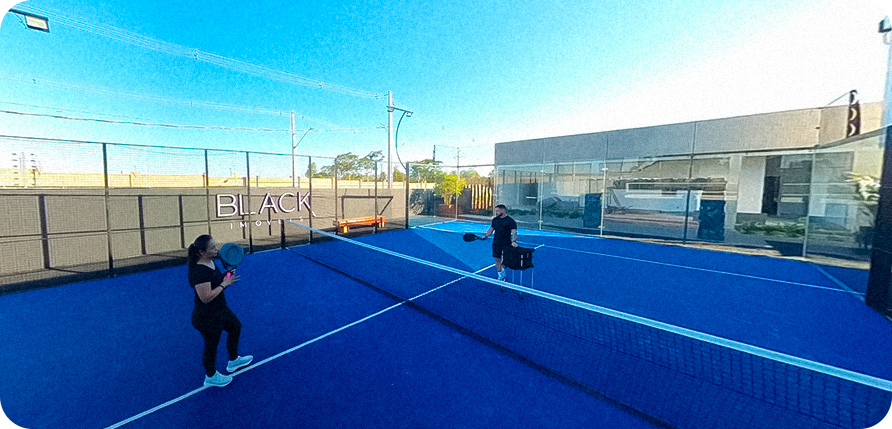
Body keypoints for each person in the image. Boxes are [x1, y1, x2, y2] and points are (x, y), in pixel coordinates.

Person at [187, 235, 252, 387]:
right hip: (206, 317)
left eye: (215, 246)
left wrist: (227, 276)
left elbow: (217, 280)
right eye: (213, 248)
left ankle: (234, 361)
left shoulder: (210, 262)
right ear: (202, 252)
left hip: (220, 309)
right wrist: (225, 284)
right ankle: (210, 377)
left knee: (235, 327)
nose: (217, 250)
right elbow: (206, 297)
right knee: (212, 345)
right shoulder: (199, 271)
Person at [482, 204, 518, 281]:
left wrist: (514, 241)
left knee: (505, 260)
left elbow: (514, 232)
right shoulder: (495, 220)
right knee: (497, 259)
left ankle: (503, 270)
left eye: (498, 211)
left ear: (503, 210)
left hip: (506, 243)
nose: (496, 212)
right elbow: (491, 229)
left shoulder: (511, 221)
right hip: (496, 242)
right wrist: (486, 236)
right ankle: (500, 275)